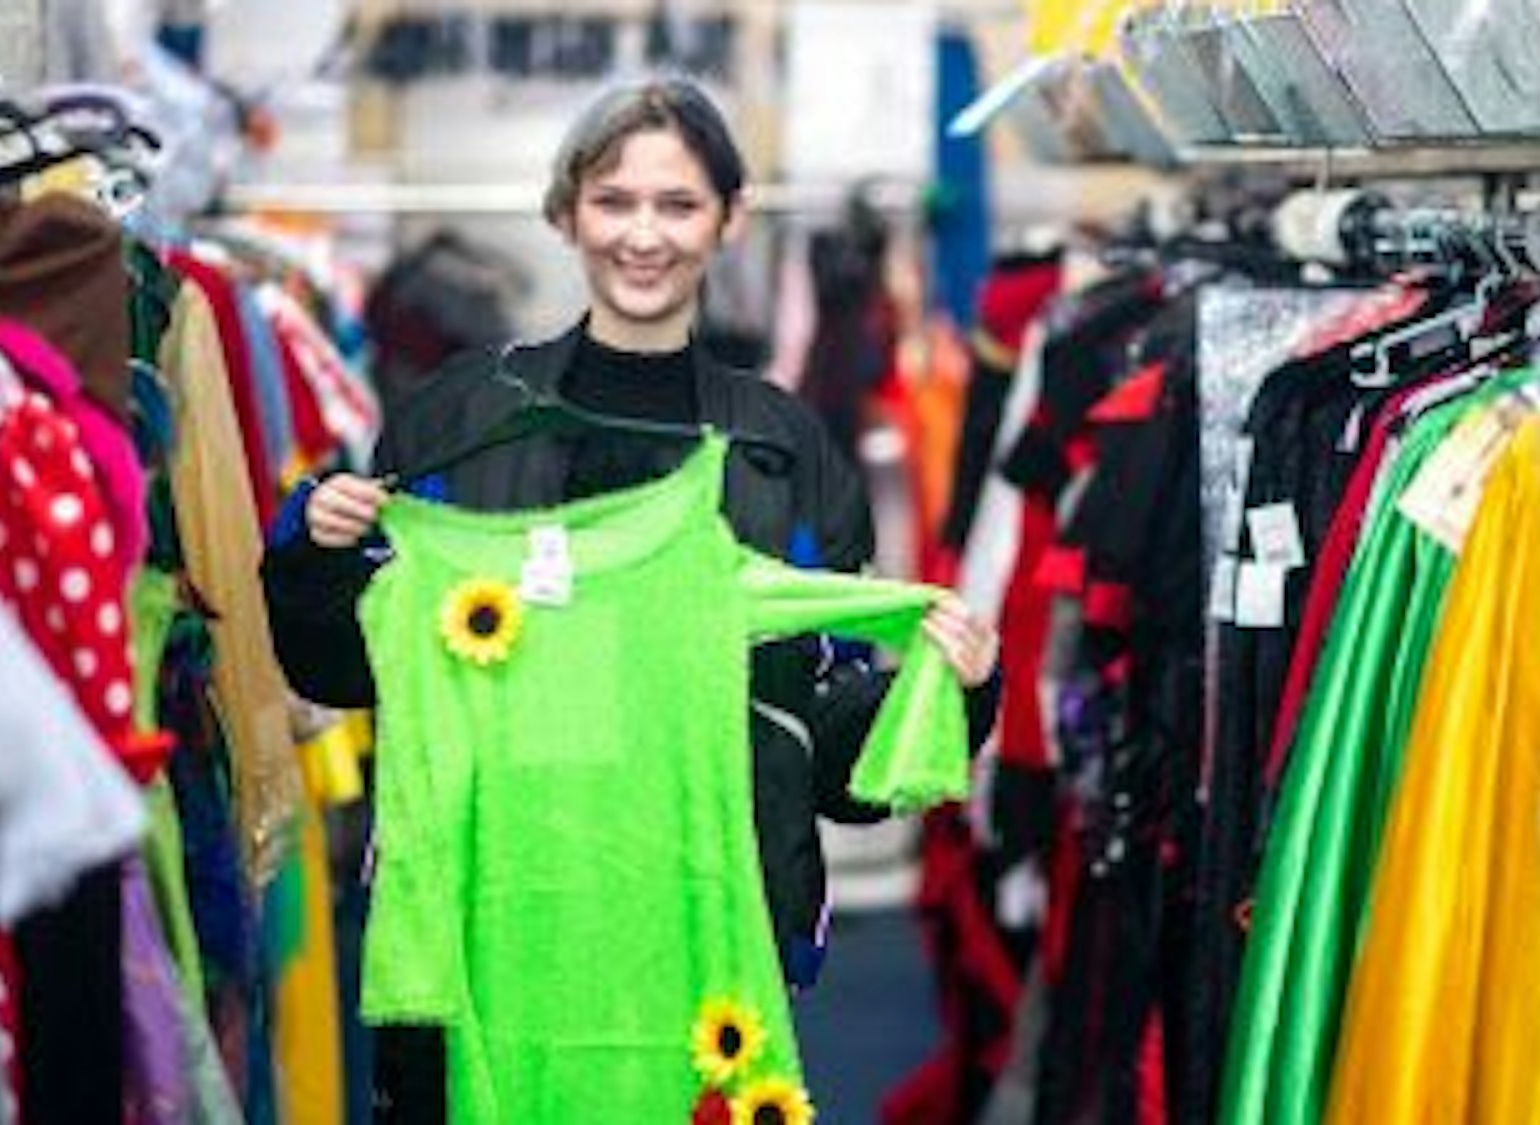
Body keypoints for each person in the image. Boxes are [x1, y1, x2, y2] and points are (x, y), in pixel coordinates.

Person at [259, 77, 1002, 1121]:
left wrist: (959, 685)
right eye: (613, 201)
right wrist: (313, 557)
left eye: (677, 204)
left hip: (702, 944)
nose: (641, 235)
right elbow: (340, 670)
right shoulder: (456, 424)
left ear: (729, 219)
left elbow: (837, 754)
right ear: (566, 212)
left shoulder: (779, 453)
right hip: (487, 932)